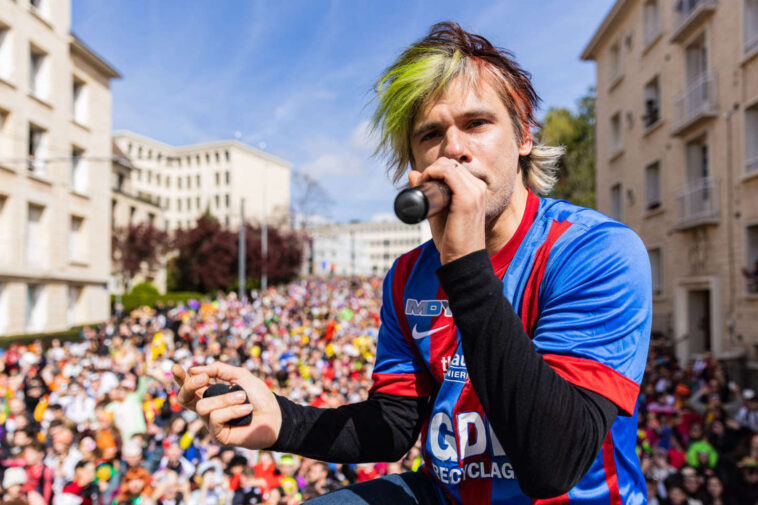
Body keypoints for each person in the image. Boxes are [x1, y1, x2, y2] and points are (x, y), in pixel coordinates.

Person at [171, 22, 652, 504]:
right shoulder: (407, 276)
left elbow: (554, 464)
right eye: (431, 134)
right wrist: (284, 421)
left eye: (477, 123)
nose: (455, 148)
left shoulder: (597, 251)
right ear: (416, 165)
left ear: (524, 136)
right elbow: (395, 425)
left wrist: (465, 263)